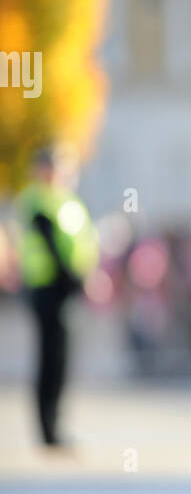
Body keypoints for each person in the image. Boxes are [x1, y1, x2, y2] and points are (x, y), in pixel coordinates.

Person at [16, 147, 98, 447]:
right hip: (48, 289)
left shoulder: (67, 202)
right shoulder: (38, 201)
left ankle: (55, 426)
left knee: (61, 361)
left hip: (65, 290)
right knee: (50, 361)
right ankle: (48, 430)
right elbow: (52, 246)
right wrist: (77, 279)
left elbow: (80, 243)